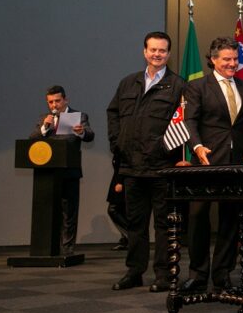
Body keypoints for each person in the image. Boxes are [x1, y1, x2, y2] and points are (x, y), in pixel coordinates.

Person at [107, 31, 185, 292]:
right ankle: (134, 272)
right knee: (135, 224)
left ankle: (163, 274)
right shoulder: (128, 83)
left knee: (164, 225)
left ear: (169, 54)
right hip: (131, 166)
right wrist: (117, 142)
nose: (157, 54)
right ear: (144, 52)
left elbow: (184, 123)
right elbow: (113, 113)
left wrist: (168, 153)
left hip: (162, 168)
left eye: (162, 50)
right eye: (153, 49)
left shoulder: (178, 85)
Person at [182, 37, 243, 293]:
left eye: (235, 59)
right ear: (213, 60)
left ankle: (222, 273)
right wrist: (197, 146)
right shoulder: (197, 87)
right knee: (198, 217)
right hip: (206, 161)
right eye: (226, 59)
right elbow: (189, 121)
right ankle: (197, 274)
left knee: (231, 218)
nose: (232, 63)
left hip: (236, 164)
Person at [30, 85, 94, 256]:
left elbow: (89, 135)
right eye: (50, 102)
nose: (54, 105)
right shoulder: (44, 118)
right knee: (51, 211)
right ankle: (50, 248)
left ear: (66, 100)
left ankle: (66, 249)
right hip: (48, 174)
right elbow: (32, 139)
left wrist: (81, 132)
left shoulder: (78, 116)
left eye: (57, 101)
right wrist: (45, 127)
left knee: (68, 213)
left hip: (69, 171)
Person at [106, 154, 128, 251]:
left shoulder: (122, 148)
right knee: (121, 209)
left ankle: (131, 236)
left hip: (122, 181)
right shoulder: (117, 150)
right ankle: (126, 239)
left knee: (114, 209)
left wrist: (120, 181)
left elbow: (124, 165)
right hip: (117, 180)